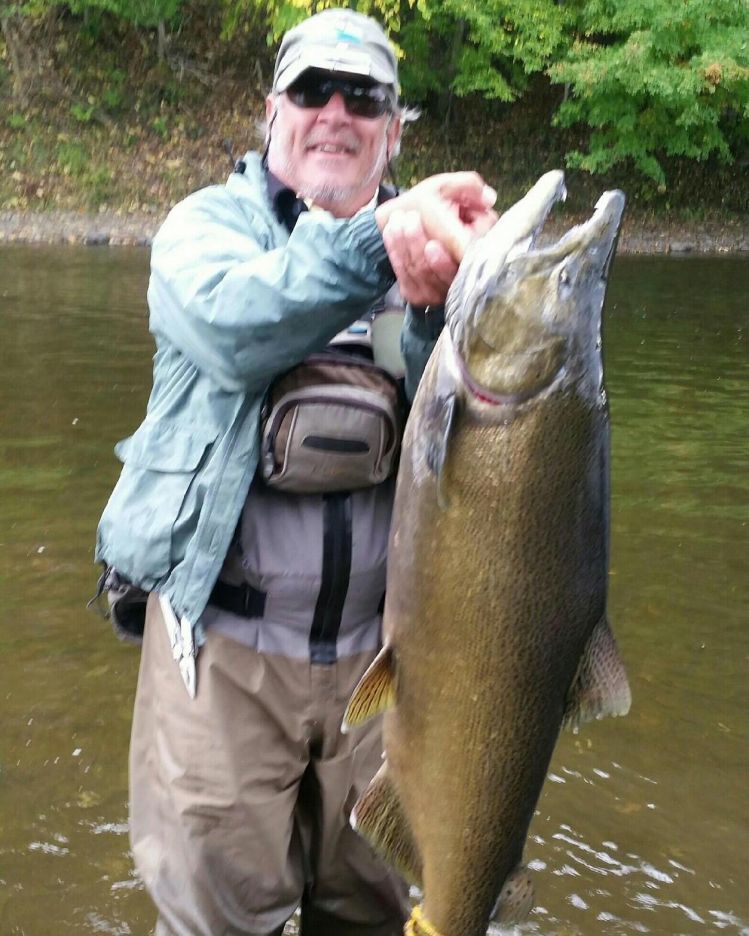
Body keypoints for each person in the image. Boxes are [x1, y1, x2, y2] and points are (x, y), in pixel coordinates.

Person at [95, 8, 497, 935]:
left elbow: (467, 428)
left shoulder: (438, 257)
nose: (335, 112)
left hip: (391, 668)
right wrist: (376, 239)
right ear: (271, 111)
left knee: (372, 908)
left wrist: (452, 302)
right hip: (225, 659)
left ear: (394, 131)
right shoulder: (204, 229)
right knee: (217, 921)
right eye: (312, 89)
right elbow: (240, 330)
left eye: (364, 98)